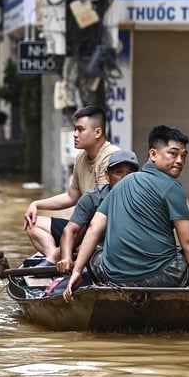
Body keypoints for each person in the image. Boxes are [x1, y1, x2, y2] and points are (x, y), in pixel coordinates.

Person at [62, 125, 189, 308]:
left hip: (110, 276)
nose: (179, 161)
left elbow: (93, 228)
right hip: (161, 278)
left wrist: (77, 270)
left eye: (183, 156)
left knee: (94, 251)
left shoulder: (120, 184)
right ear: (153, 154)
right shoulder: (172, 187)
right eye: (173, 154)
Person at [23, 105, 119, 265]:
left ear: (97, 132)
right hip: (81, 224)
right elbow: (71, 196)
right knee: (32, 224)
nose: (74, 134)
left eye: (80, 129)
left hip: (101, 229)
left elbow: (100, 213)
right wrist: (36, 204)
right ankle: (53, 255)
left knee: (81, 231)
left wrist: (68, 245)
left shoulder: (111, 157)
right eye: (75, 129)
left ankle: (58, 256)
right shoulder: (81, 158)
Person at [55, 149, 140, 275]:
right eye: (118, 173)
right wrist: (66, 257)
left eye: (130, 174)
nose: (124, 179)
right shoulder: (92, 198)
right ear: (107, 175)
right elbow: (70, 231)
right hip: (99, 253)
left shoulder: (144, 199)